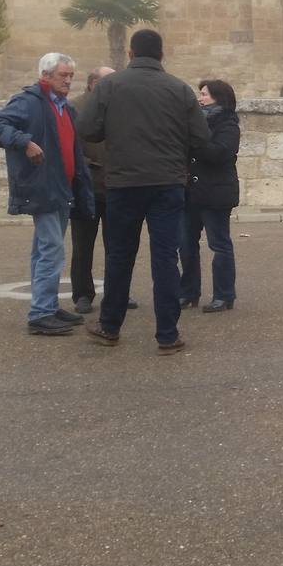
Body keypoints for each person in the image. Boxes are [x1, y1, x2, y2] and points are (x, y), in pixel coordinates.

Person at [78, 29, 210, 354]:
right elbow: (201, 137)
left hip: (123, 183)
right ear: (161, 55)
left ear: (130, 53)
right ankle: (167, 334)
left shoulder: (110, 85)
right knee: (165, 257)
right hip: (168, 183)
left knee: (120, 255)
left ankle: (110, 326)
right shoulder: (179, 89)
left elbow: (88, 129)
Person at [0, 53, 95, 335]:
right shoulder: (29, 102)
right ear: (45, 75)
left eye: (71, 76)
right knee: (52, 249)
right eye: (63, 75)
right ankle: (41, 313)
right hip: (43, 187)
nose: (68, 81)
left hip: (62, 187)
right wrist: (25, 142)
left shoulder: (64, 107)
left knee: (45, 249)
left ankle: (46, 305)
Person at [69, 67, 141, 316]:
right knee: (82, 246)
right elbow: (69, 146)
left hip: (117, 186)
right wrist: (86, 166)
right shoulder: (75, 107)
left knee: (118, 246)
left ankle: (118, 292)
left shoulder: (123, 106)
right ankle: (82, 294)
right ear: (93, 83)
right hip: (86, 187)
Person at [179, 79, 241, 313]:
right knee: (185, 244)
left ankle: (224, 295)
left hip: (216, 193)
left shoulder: (228, 124)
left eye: (204, 94)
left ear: (218, 98)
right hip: (191, 193)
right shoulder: (194, 123)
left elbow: (219, 153)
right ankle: (188, 292)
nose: (200, 98)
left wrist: (195, 141)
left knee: (219, 244)